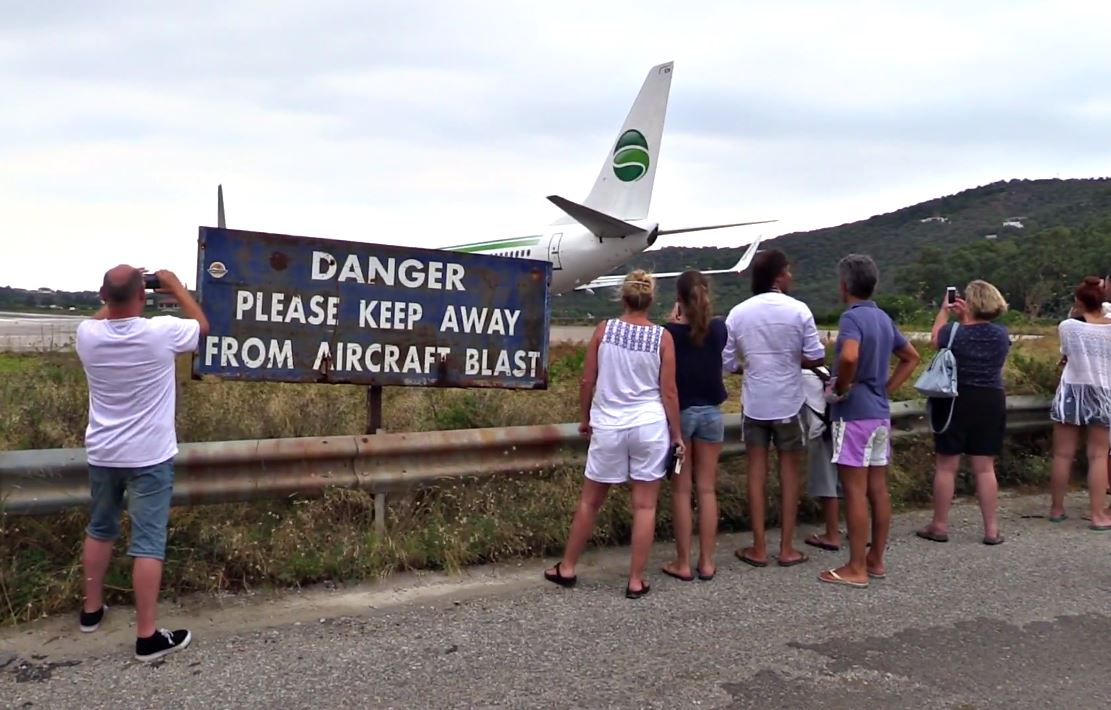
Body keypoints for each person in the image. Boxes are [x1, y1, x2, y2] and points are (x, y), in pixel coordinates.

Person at [75, 266, 209, 661]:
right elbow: (202, 326)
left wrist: (118, 293)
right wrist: (174, 287)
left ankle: (91, 610)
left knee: (100, 529)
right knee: (148, 542)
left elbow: (104, 314)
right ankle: (147, 636)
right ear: (144, 296)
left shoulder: (87, 335)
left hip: (104, 452)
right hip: (149, 455)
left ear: (102, 295)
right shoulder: (161, 332)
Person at [544, 270, 684, 598]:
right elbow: (669, 392)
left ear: (622, 298)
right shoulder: (663, 338)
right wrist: (676, 434)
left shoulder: (604, 330)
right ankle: (635, 580)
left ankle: (567, 567)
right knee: (645, 506)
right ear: (651, 300)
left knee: (590, 502)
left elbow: (587, 381)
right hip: (649, 426)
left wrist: (584, 417)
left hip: (607, 424)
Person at [820, 255, 920, 588]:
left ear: (845, 285)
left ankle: (856, 567)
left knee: (853, 490)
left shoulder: (851, 318)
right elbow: (911, 357)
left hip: (854, 414)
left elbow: (849, 355)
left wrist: (844, 386)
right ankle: (876, 559)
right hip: (879, 413)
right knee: (878, 489)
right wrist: (886, 389)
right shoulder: (882, 317)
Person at [723, 249, 826, 568]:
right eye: (789, 271)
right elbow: (817, 356)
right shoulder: (799, 310)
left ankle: (757, 548)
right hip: (790, 403)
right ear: (779, 276)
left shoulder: (738, 313)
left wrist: (750, 366)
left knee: (756, 475)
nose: (791, 277)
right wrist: (791, 360)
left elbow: (727, 361)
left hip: (755, 404)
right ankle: (786, 549)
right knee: (789, 474)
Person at [916, 281, 1011, 545]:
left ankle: (940, 525)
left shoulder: (953, 332)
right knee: (985, 467)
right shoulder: (1001, 335)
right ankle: (991, 529)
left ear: (969, 303)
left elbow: (936, 339)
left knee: (947, 466)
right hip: (991, 399)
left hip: (955, 399)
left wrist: (945, 312)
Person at [660, 271, 728, 582]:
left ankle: (683, 562)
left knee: (681, 491)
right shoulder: (718, 329)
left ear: (678, 301)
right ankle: (708, 562)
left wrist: (673, 321)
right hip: (713, 414)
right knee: (707, 489)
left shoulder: (668, 333)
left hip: (682, 415)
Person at [1048, 276, 1111, 529]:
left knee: (1062, 455)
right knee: (1097, 456)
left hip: (1071, 390)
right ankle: (1097, 515)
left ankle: (1056, 509)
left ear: (1079, 301)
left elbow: (1066, 354)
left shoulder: (1068, 326)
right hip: (1104, 392)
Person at [801, 365, 843, 552]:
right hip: (841, 428)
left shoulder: (801, 374)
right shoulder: (825, 370)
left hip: (820, 432)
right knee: (850, 484)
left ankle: (832, 535)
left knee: (827, 485)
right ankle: (860, 532)